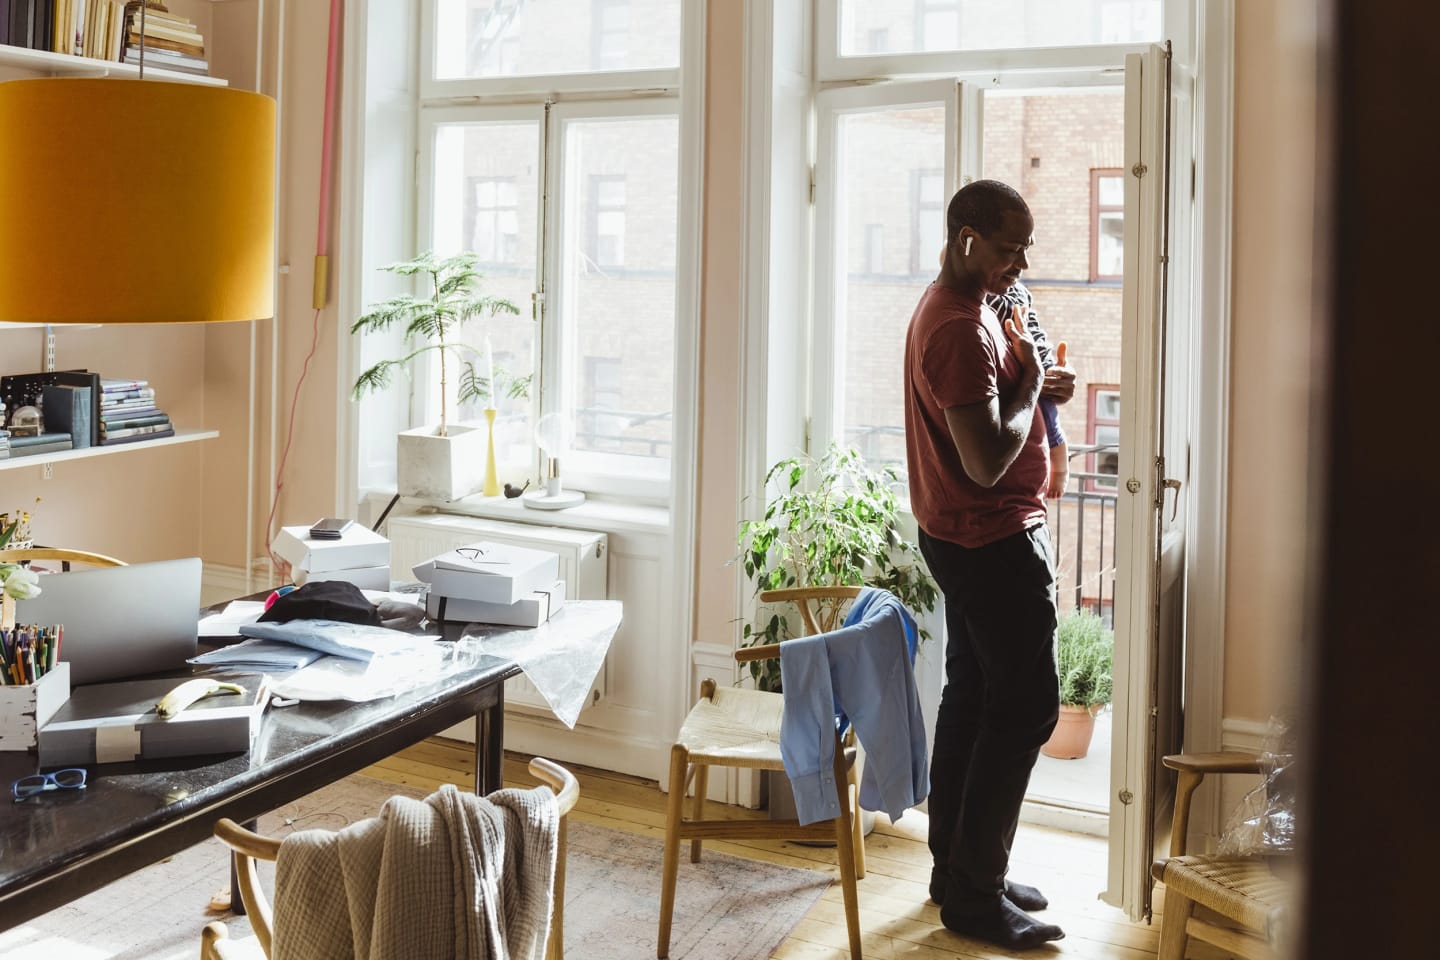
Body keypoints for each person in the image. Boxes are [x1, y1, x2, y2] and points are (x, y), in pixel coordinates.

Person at [903, 179, 1067, 949]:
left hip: (964, 536)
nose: (1021, 263)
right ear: (967, 239)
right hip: (989, 539)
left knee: (972, 696)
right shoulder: (956, 329)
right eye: (1010, 248)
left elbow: (996, 407)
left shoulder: (973, 314)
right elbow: (986, 461)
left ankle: (960, 871)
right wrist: (1031, 383)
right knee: (1026, 708)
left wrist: (1029, 384)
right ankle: (972, 897)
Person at [987, 280, 1072, 499]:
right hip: (1031, 359)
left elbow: (1009, 310)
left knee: (1050, 422)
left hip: (1039, 361)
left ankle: (1061, 469)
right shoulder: (1012, 292)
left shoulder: (1008, 297)